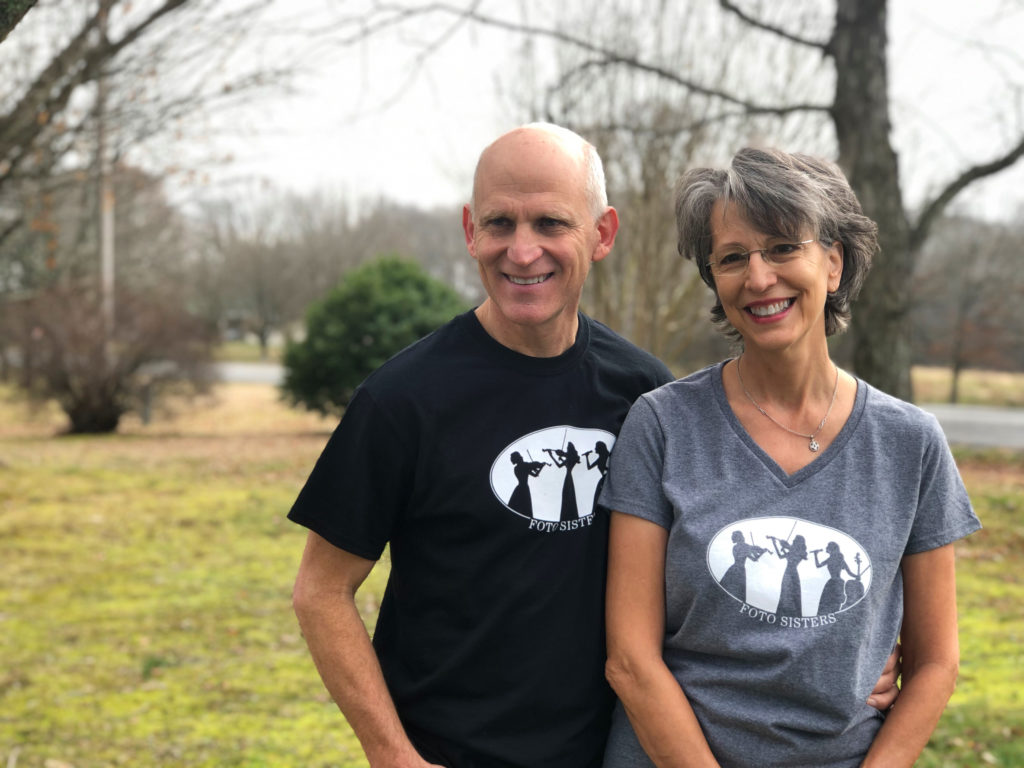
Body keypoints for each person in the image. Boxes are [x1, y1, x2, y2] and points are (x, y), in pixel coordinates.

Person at [287, 127, 901, 768]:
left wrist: (862, 650)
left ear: (603, 233)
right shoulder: (402, 400)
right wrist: (391, 753)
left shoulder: (645, 394)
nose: (523, 252)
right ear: (471, 231)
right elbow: (321, 592)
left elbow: (727, 563)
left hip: (615, 749)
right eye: (500, 223)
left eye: (551, 222)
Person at [600, 148, 981, 768]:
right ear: (714, 281)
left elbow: (937, 663)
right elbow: (631, 661)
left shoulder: (911, 444)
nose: (758, 277)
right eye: (732, 258)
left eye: (782, 247)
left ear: (833, 262)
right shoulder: (663, 425)